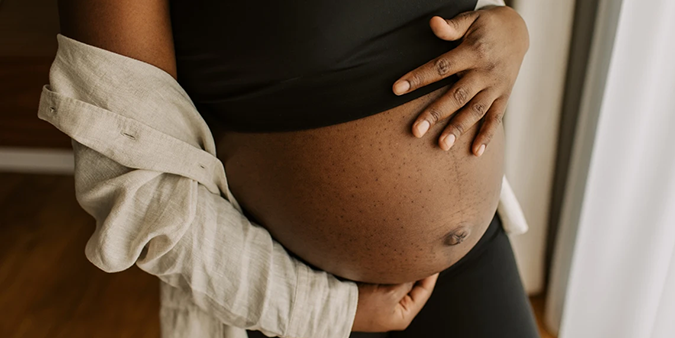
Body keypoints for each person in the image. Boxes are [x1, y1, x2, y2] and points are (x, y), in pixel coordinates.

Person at [49, 0, 535, 337]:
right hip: (298, 288)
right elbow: (134, 181)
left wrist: (509, 30)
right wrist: (325, 311)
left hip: (472, 255)